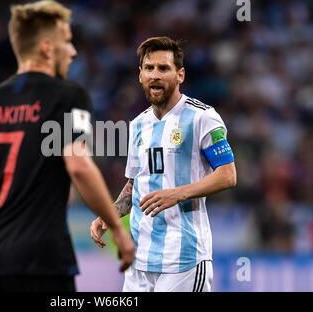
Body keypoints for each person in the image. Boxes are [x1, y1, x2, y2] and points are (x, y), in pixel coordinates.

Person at [0, 0, 135, 292]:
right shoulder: (70, 96)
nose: (73, 51)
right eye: (67, 42)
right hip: (44, 262)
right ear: (46, 47)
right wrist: (118, 229)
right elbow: (80, 166)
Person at [90, 36, 236, 292]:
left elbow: (227, 175)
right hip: (140, 259)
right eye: (149, 68)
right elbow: (136, 182)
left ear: (180, 75)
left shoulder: (202, 117)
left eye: (163, 68)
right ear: (140, 75)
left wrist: (177, 194)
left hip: (184, 260)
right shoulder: (138, 124)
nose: (155, 75)